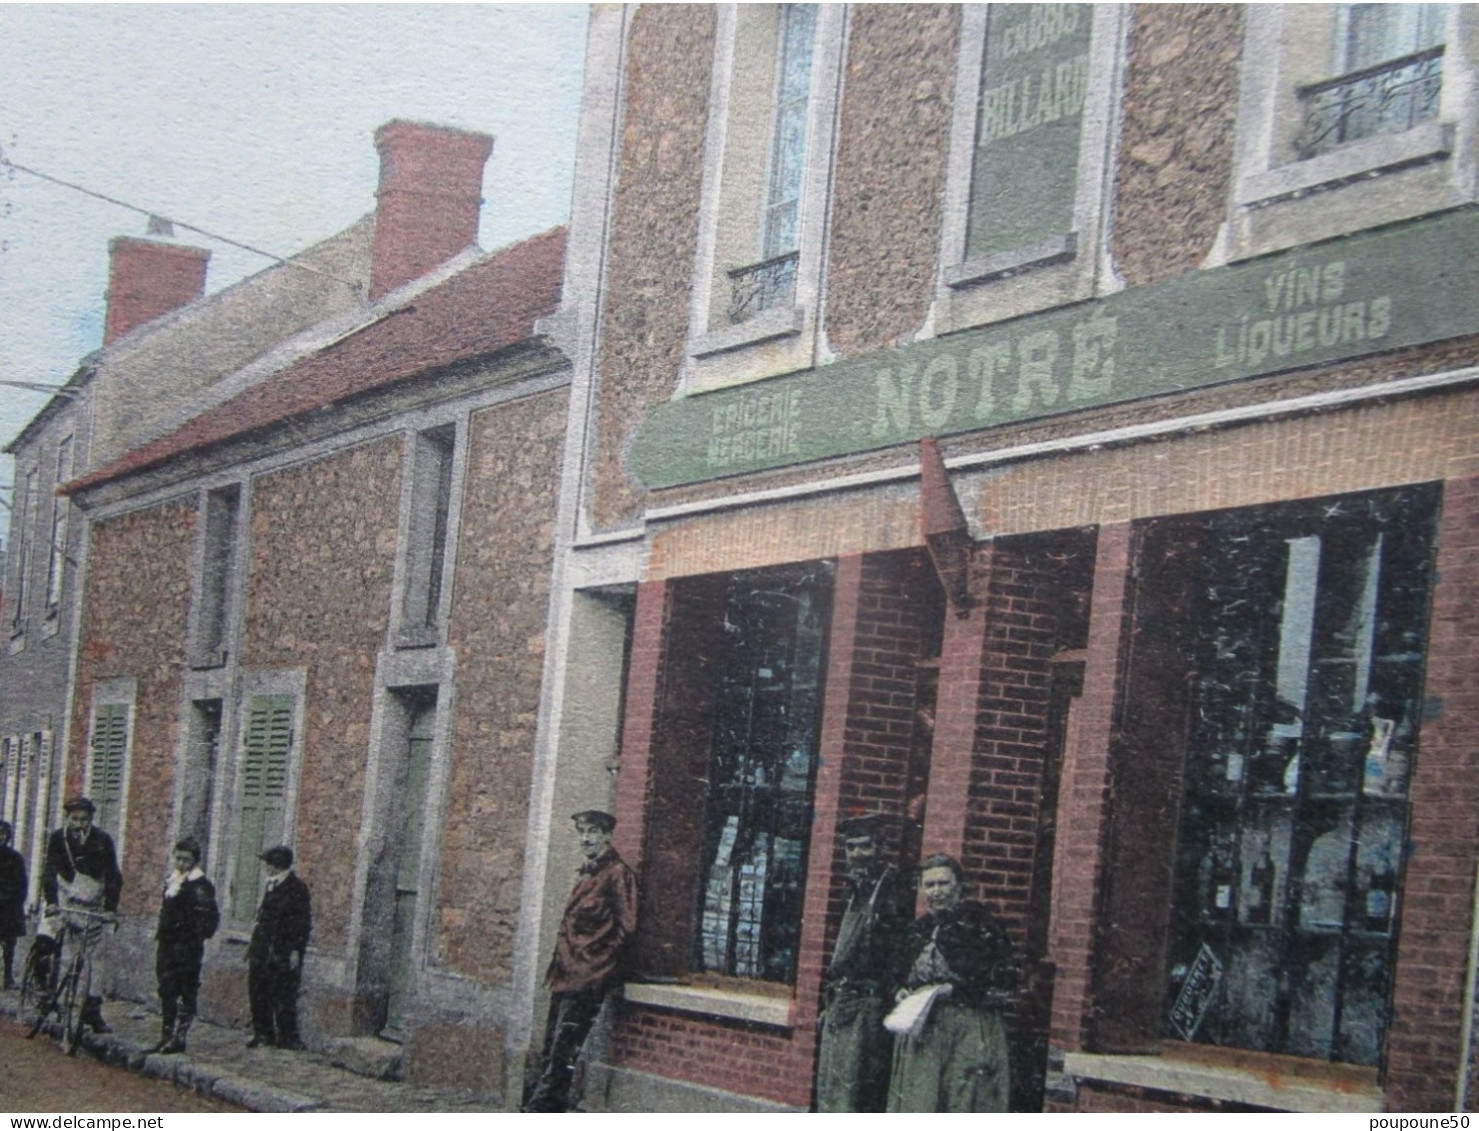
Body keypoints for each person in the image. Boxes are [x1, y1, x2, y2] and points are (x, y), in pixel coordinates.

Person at [523, 809, 638, 1113]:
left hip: (587, 976)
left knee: (564, 1048)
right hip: (564, 971)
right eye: (582, 833)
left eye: (592, 833)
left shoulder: (617, 874)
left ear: (607, 836)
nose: (585, 839)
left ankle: (540, 1110)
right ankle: (545, 1106)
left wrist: (599, 961)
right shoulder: (586, 872)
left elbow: (628, 928)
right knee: (553, 1046)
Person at [885, 854, 1018, 1113]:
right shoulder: (917, 930)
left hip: (968, 1025)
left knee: (964, 1098)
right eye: (930, 885)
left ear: (958, 885)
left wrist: (955, 989)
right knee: (920, 1100)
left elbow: (1003, 979)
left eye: (943, 884)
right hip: (923, 1027)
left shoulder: (980, 925)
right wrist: (899, 991)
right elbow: (896, 973)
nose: (936, 892)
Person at [815, 813, 914, 1112]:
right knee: (832, 1085)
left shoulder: (892, 890)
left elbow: (897, 951)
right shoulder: (854, 890)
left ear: (881, 849)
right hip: (841, 1001)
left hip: (869, 1004)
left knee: (859, 1088)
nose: (858, 855)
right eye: (851, 848)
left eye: (865, 847)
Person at [41, 797, 123, 1034]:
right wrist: (51, 902)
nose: (79, 825)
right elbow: (49, 872)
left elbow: (113, 876)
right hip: (65, 898)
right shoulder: (59, 839)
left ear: (91, 820)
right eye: (75, 819)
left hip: (93, 903)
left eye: (84, 820)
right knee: (63, 948)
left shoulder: (102, 840)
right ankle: (53, 996)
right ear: (68, 819)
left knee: (95, 959)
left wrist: (111, 908)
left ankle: (92, 1010)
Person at [145, 836, 219, 1054]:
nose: (182, 864)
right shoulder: (173, 880)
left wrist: (192, 936)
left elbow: (209, 920)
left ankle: (180, 1036)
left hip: (187, 947)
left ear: (195, 861)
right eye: (178, 858)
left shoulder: (201, 886)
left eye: (187, 860)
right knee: (166, 988)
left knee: (186, 989)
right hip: (167, 944)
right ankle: (166, 1034)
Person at [245, 845, 311, 1050]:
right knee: (258, 990)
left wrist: (295, 951)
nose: (266, 868)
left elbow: (302, 924)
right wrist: (253, 946)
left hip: (283, 950)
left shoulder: (297, 888)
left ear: (278, 866)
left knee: (283, 994)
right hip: (262, 948)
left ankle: (288, 1037)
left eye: (269, 864)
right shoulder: (271, 885)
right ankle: (263, 1033)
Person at [0, 821, 27, 990]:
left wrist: (16, 900)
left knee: (9, 945)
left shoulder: (15, 858)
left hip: (9, 907)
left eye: (3, 834)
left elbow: (22, 883)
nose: (0, 838)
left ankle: (8, 978)